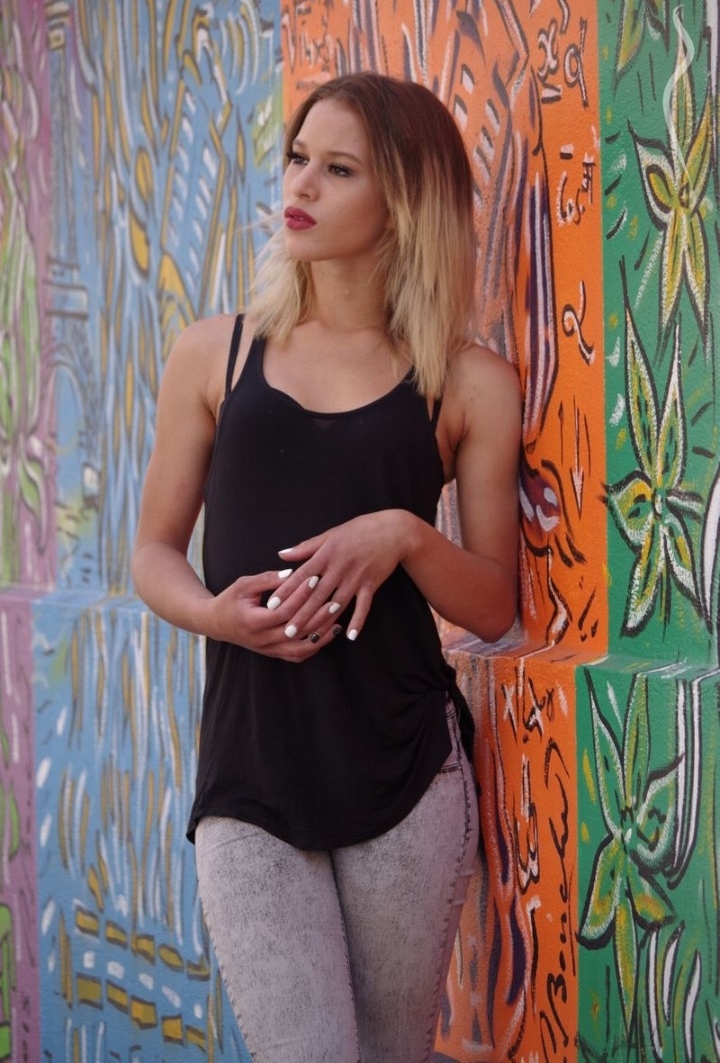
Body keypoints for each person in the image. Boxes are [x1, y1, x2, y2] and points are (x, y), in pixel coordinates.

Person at [132, 71, 520, 1063]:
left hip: (405, 774)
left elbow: (492, 604)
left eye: (339, 169)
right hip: (250, 773)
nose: (300, 185)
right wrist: (214, 615)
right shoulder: (215, 356)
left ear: (405, 203)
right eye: (299, 158)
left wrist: (404, 535)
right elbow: (152, 552)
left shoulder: (467, 382)